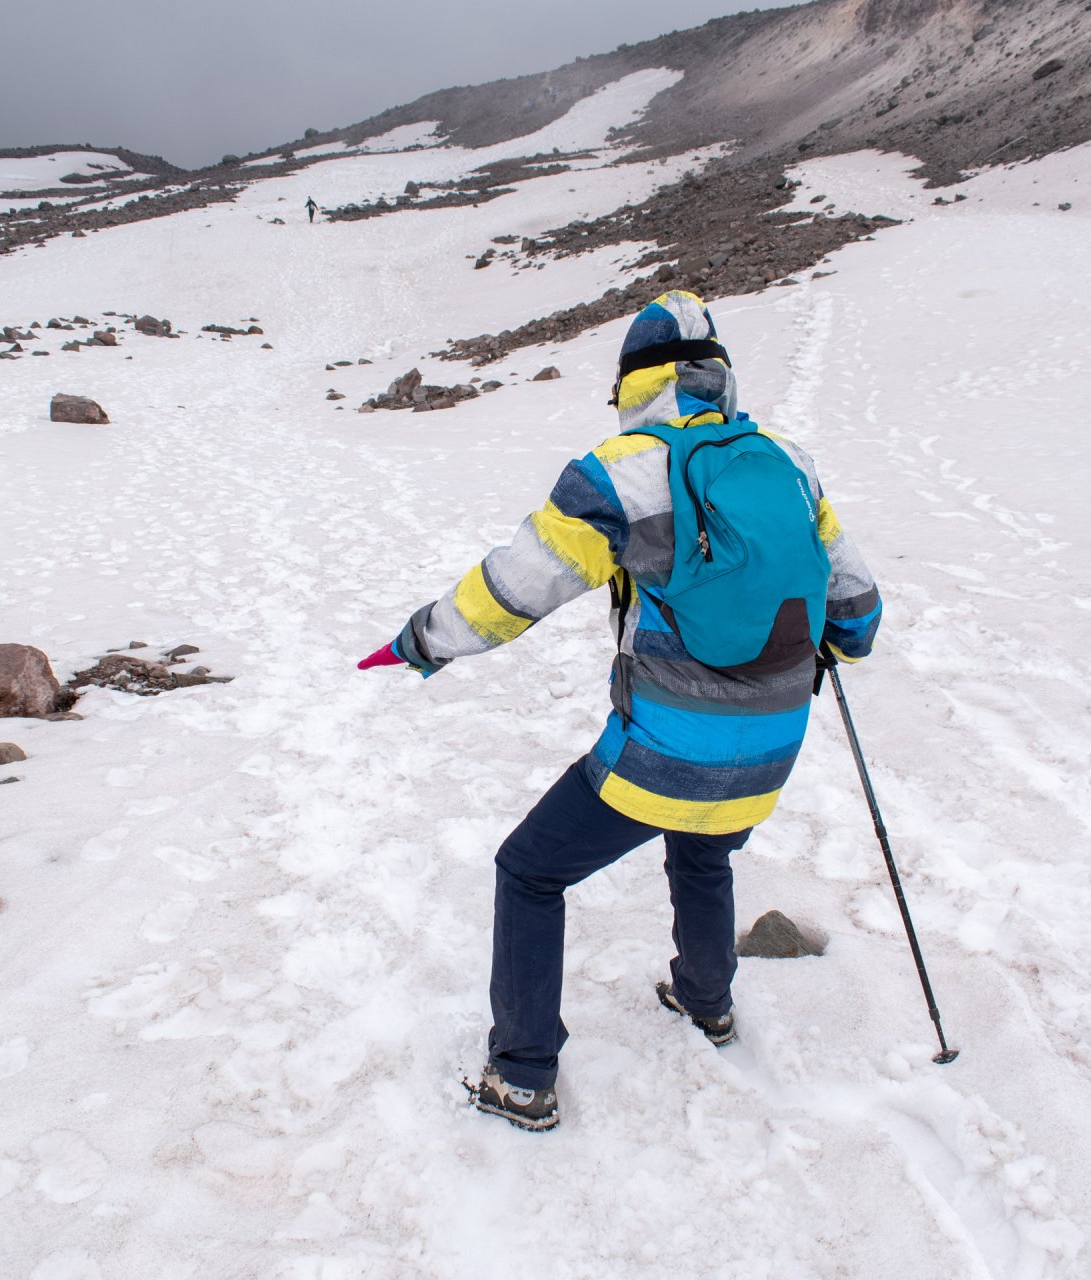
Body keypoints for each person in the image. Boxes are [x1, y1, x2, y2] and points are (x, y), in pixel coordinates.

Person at [357, 290, 881, 1131]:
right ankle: (707, 1001)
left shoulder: (618, 471)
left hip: (671, 743)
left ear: (635, 379)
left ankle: (521, 1074)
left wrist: (425, 639)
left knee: (530, 869)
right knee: (703, 850)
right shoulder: (787, 459)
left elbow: (514, 590)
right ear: (718, 375)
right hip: (775, 742)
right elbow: (856, 610)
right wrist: (834, 646)